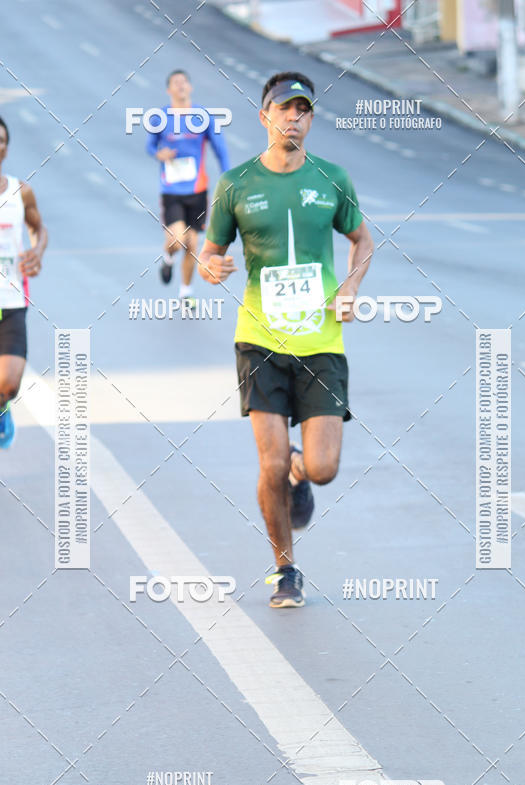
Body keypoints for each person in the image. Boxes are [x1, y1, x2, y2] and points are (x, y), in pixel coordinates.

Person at [198, 72, 373, 608]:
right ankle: (285, 569)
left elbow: (362, 240)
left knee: (322, 468)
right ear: (264, 117)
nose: (293, 117)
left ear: (311, 119)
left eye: (303, 110)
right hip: (260, 340)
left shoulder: (333, 178)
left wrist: (349, 288)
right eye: (283, 109)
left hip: (321, 341)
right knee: (268, 464)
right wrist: (210, 267)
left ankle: (302, 466)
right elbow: (210, 251)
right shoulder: (235, 183)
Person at [0, 112, 47, 485]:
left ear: (6, 148)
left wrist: (37, 251)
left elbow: (39, 231)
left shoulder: (20, 191)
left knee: (7, 383)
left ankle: (1, 405)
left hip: (9, 304)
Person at [146, 69, 230, 307]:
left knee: (192, 245)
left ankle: (185, 291)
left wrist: (229, 177)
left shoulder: (202, 116)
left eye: (184, 82)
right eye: (176, 83)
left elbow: (220, 149)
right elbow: (150, 146)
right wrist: (158, 153)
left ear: (190, 87)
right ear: (169, 90)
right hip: (172, 189)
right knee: (178, 239)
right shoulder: (160, 117)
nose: (181, 86)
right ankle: (168, 258)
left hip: (197, 189)